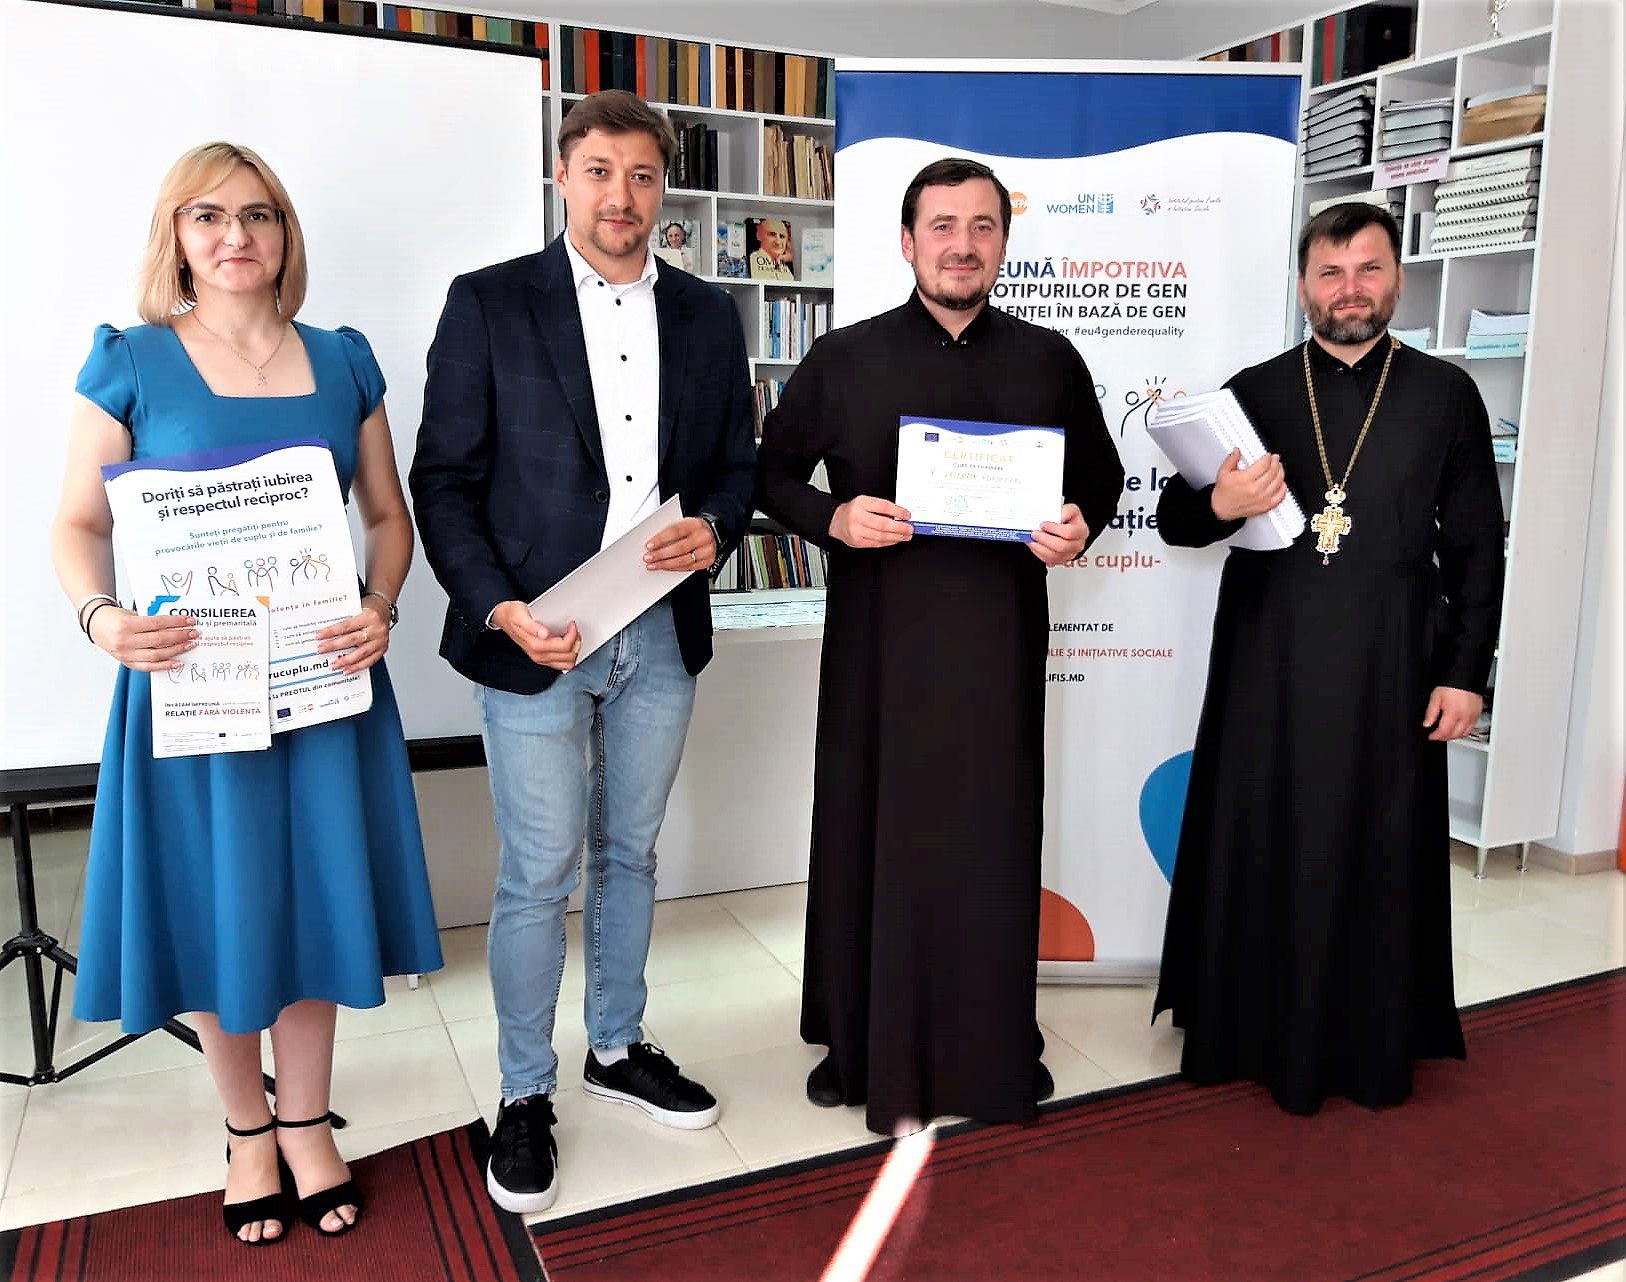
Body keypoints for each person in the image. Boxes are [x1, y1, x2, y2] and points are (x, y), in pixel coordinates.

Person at [49, 142, 443, 1245]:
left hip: (323, 685)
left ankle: (308, 1122)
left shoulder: (344, 360)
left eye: (259, 215)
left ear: (285, 234)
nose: (236, 236)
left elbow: (388, 517)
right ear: (176, 236)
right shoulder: (130, 361)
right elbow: (74, 525)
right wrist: (100, 617)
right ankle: (246, 1132)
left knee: (314, 902)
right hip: (190, 689)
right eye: (209, 216)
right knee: (218, 911)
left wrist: (382, 601)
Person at [409, 89, 756, 1213]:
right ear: (563, 177)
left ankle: (616, 1045)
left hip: (658, 623)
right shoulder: (489, 302)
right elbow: (443, 480)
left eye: (643, 175)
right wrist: (500, 607)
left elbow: (736, 467)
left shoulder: (708, 315)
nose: (622, 196)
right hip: (538, 632)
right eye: (600, 171)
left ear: (665, 189)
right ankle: (524, 1091)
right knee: (538, 869)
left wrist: (720, 527)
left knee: (632, 853)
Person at [756, 157, 1125, 1135]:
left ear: (1003, 241)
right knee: (873, 830)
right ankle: (862, 1042)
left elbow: (1102, 477)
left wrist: (1079, 524)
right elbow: (768, 474)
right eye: (943, 226)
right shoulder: (844, 357)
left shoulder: (1049, 359)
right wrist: (833, 518)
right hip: (879, 653)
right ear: (908, 241)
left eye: (982, 226)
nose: (963, 245)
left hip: (999, 649)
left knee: (988, 841)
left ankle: (989, 1043)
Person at [1152, 202, 1504, 1115]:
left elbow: (1477, 545)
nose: (1350, 290)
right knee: (1262, 828)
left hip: (1394, 655)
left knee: (1377, 839)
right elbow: (1175, 521)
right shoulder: (1253, 392)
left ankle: (1368, 1034)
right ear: (1304, 286)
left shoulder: (1445, 394)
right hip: (1268, 656)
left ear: (1397, 279)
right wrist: (1221, 502)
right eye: (1330, 273)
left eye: (1368, 269)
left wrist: (1466, 671)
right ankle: (1248, 1024)